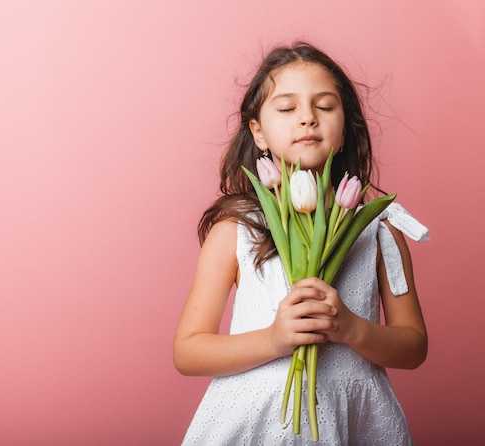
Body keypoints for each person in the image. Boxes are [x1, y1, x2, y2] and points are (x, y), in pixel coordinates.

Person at [173, 41, 430, 445]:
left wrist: (350, 328)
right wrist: (274, 340)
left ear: (344, 130)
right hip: (256, 418)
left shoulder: (379, 230)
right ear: (257, 132)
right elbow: (188, 351)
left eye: (325, 107)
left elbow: (414, 346)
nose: (307, 118)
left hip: (354, 419)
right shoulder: (236, 230)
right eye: (287, 108)